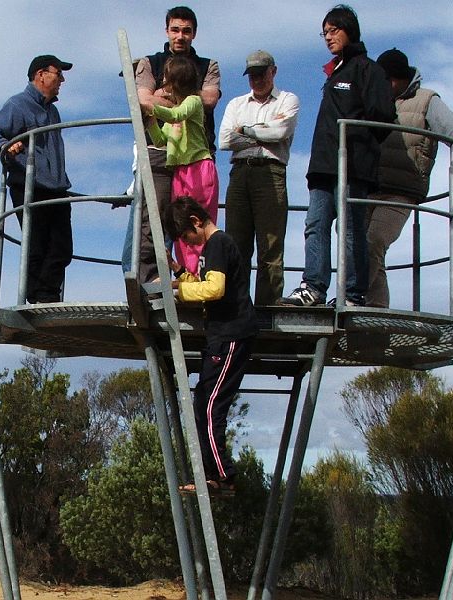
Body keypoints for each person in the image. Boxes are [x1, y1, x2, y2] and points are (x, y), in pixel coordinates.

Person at [278, 4, 395, 307]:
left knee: (350, 231)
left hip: (352, 166)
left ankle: (353, 294)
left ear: (349, 30)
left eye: (333, 30)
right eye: (324, 32)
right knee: (315, 224)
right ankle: (313, 287)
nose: (328, 37)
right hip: (324, 165)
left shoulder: (368, 70)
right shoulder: (335, 71)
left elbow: (383, 117)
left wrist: (357, 141)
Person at [366, 48, 453, 308]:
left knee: (374, 240)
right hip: (368, 187)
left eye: (389, 81)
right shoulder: (374, 99)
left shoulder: (425, 100)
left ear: (401, 78)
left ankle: (366, 304)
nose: (386, 86)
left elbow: (449, 125)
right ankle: (367, 305)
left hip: (401, 188)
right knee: (355, 245)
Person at [163, 197, 258, 495]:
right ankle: (212, 474)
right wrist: (179, 273)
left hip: (230, 334)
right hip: (221, 336)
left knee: (210, 407)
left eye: (185, 238)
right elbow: (204, 283)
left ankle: (223, 476)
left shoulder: (218, 243)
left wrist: (180, 293)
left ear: (195, 221)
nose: (187, 244)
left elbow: (214, 289)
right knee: (202, 404)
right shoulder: (212, 247)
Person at [133, 6, 221, 284]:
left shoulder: (209, 65)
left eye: (186, 30)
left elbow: (206, 101)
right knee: (154, 219)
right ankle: (153, 280)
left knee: (194, 220)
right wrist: (179, 97)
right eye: (175, 29)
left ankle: (198, 278)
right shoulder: (150, 62)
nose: (180, 36)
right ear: (166, 30)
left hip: (196, 159)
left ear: (194, 33)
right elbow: (143, 100)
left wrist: (165, 96)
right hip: (161, 153)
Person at [0, 55, 74, 304]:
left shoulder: (53, 111)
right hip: (29, 185)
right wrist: (5, 147)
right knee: (37, 245)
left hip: (56, 187)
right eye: (58, 73)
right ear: (40, 74)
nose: (62, 79)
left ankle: (45, 295)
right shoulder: (18, 105)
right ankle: (39, 296)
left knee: (62, 247)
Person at [219, 50, 301, 305]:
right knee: (236, 243)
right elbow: (224, 140)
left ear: (273, 72)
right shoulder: (236, 104)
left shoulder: (288, 100)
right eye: (251, 75)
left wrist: (243, 131)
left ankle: (267, 309)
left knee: (270, 245)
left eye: (261, 73)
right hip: (240, 173)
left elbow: (280, 132)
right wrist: (262, 132)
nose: (256, 80)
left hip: (272, 173)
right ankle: (237, 306)